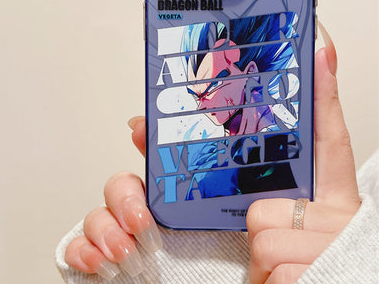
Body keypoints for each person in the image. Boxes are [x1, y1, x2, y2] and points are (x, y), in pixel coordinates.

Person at [55, 25, 379, 283]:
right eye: (196, 94)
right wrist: (178, 262)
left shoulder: (283, 152)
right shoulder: (216, 160)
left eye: (210, 89)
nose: (202, 105)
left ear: (249, 72)